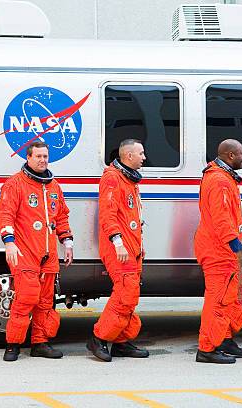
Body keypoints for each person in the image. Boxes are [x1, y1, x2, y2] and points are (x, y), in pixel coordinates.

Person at [0, 141, 73, 361]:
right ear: (28, 158)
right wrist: (9, 242)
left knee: (45, 301)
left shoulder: (53, 186)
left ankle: (40, 343)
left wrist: (66, 242)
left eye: (45, 156)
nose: (42, 160)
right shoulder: (15, 184)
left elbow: (61, 216)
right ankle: (13, 344)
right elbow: (5, 215)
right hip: (25, 252)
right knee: (26, 298)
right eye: (38, 156)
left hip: (48, 254)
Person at [87, 139, 149, 362]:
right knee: (125, 293)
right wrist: (117, 241)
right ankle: (99, 338)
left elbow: (131, 218)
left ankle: (121, 341)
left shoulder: (129, 180)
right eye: (141, 153)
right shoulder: (112, 178)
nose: (144, 157)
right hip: (119, 248)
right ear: (129, 156)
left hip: (131, 248)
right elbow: (108, 214)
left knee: (130, 296)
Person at [194, 139, 242, 364]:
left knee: (229, 299)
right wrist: (238, 248)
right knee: (216, 301)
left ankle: (223, 338)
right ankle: (206, 349)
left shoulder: (222, 177)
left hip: (221, 249)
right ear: (229, 156)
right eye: (241, 153)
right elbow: (222, 219)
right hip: (219, 250)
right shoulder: (219, 181)